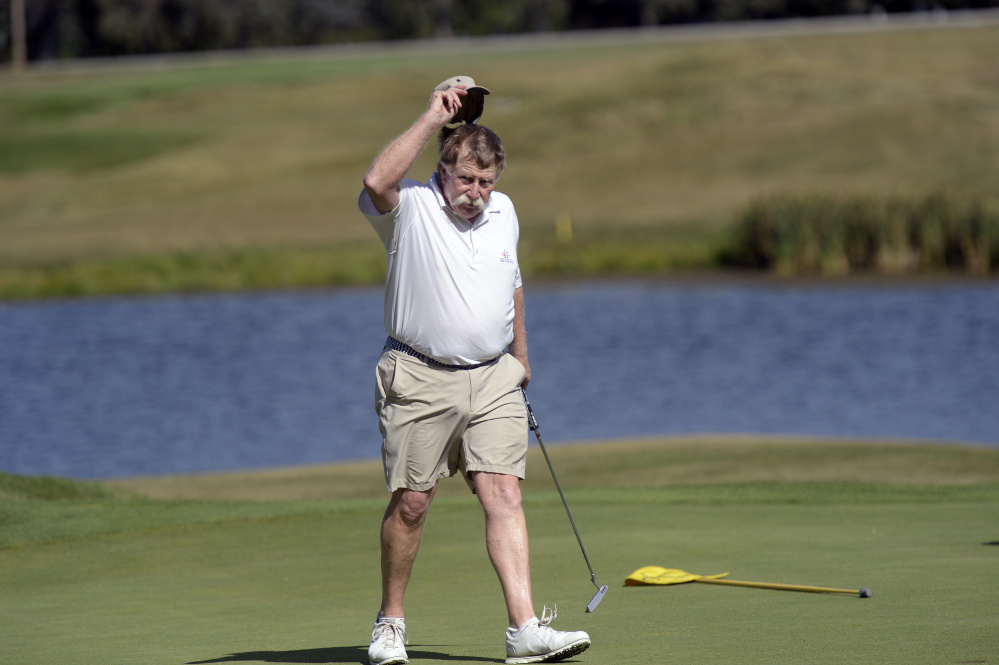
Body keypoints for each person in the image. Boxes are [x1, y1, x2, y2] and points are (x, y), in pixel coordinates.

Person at [357, 77, 592, 665]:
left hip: (493, 377)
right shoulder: (408, 208)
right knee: (412, 503)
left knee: (504, 495)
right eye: (466, 179)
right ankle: (390, 625)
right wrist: (433, 115)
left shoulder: (504, 211)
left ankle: (524, 631)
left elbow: (511, 282)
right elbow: (374, 182)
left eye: (487, 182)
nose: (477, 193)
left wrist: (522, 354)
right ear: (443, 168)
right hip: (419, 375)